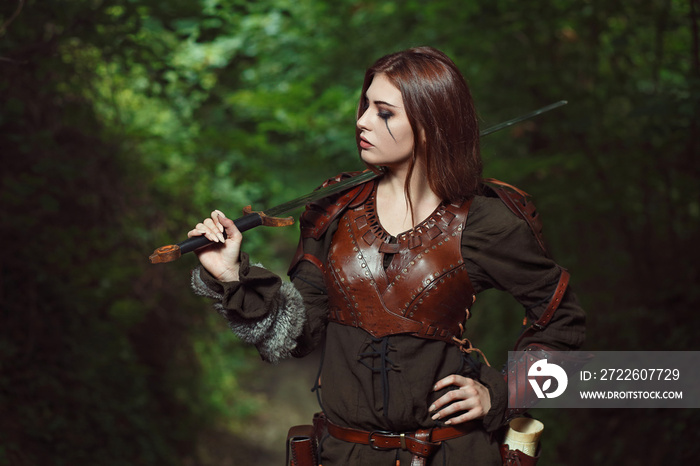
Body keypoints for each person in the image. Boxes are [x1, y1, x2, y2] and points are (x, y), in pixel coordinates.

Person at [187, 46, 586, 465]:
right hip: (344, 455)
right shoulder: (335, 208)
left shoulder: (486, 222)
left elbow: (564, 322)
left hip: (451, 453)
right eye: (365, 107)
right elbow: (297, 335)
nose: (361, 121)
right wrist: (232, 276)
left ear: (431, 125)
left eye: (384, 112)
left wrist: (503, 393)